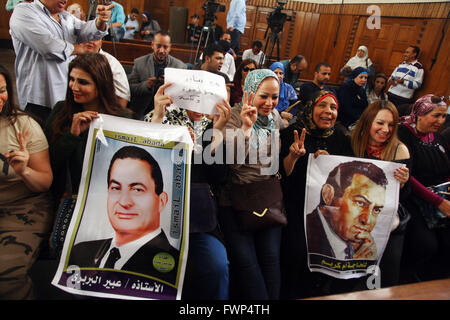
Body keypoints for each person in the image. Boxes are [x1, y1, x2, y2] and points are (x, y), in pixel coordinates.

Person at [144, 82, 231, 299]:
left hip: (197, 215)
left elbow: (219, 177)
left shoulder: (214, 125)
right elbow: (142, 161)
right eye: (193, 95)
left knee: (217, 266)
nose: (198, 102)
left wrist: (216, 132)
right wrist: (157, 119)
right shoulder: (160, 115)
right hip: (158, 214)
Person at [279, 90, 353, 299]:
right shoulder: (291, 133)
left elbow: (349, 179)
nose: (328, 112)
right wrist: (293, 156)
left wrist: (331, 167)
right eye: (322, 105)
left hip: (330, 211)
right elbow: (282, 176)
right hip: (295, 207)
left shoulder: (341, 137)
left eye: (333, 107)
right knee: (297, 252)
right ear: (311, 108)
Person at [219, 69, 286, 300]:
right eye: (264, 96)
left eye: (275, 97)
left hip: (266, 196)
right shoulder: (234, 117)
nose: (270, 103)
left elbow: (275, 161)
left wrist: (294, 156)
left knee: (271, 259)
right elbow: (233, 165)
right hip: (236, 198)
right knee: (246, 262)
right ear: (249, 92)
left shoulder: (275, 118)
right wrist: (246, 130)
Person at [69, 146, 180, 284]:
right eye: (116, 188)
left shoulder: (174, 263)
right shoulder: (80, 251)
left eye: (137, 189)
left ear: (161, 201)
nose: (124, 201)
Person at [45, 53, 131, 205]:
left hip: (106, 200)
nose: (74, 87)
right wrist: (72, 135)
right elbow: (48, 162)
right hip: (66, 198)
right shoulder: (61, 111)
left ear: (101, 85)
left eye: (83, 82)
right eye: (72, 79)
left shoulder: (122, 118)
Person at [9, 0, 113, 123]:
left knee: (61, 138)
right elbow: (47, 46)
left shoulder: (65, 16)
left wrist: (100, 21)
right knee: (40, 139)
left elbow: (87, 31)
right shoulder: (24, 12)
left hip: (66, 95)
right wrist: (80, 48)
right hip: (39, 98)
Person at [0, 64, 54, 299]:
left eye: (2, 90)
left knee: (5, 277)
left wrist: (24, 172)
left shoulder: (23, 125)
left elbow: (45, 182)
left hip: (21, 205)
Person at [350, 100, 411, 287]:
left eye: (391, 124)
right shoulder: (352, 142)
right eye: (380, 123)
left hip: (386, 221)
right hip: (354, 219)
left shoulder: (400, 149)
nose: (386, 129)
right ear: (368, 121)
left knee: (386, 276)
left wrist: (403, 183)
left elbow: (405, 196)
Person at [397, 94, 450, 283]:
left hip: (440, 197)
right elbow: (407, 176)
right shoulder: (403, 134)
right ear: (420, 113)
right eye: (436, 116)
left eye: (443, 116)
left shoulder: (437, 137)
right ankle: (406, 278)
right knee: (426, 245)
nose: (441, 121)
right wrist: (440, 202)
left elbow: (445, 168)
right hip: (413, 197)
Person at [306, 161, 388, 260]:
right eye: (360, 203)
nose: (367, 220)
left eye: (376, 210)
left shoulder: (361, 248)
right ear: (328, 195)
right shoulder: (305, 231)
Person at [128, 30, 186, 119]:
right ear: (152, 45)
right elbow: (130, 88)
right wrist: (146, 85)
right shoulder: (139, 62)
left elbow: (183, 94)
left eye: (165, 47)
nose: (161, 50)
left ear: (170, 48)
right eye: (158, 46)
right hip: (142, 112)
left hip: (169, 114)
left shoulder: (180, 67)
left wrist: (170, 85)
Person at [81, 39, 131, 108]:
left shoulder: (111, 63)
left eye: (95, 39)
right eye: (87, 37)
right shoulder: (69, 56)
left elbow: (122, 97)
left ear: (101, 43)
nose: (90, 41)